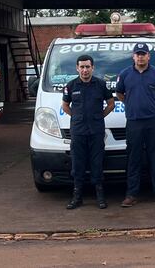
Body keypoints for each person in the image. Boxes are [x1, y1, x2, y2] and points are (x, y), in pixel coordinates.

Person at [115, 42, 155, 208]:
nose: (140, 57)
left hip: (153, 121)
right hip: (134, 121)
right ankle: (131, 194)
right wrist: (131, 104)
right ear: (133, 56)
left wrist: (153, 104)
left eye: (143, 54)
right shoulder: (125, 74)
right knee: (134, 158)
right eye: (138, 54)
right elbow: (120, 93)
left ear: (148, 56)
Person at [61, 54, 115, 210]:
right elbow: (65, 106)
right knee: (78, 164)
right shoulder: (71, 86)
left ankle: (100, 196)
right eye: (82, 67)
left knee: (97, 163)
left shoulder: (101, 85)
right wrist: (76, 117)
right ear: (77, 68)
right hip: (78, 131)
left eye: (87, 67)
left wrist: (99, 117)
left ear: (93, 68)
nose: (85, 70)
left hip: (96, 131)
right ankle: (77, 197)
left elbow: (111, 104)